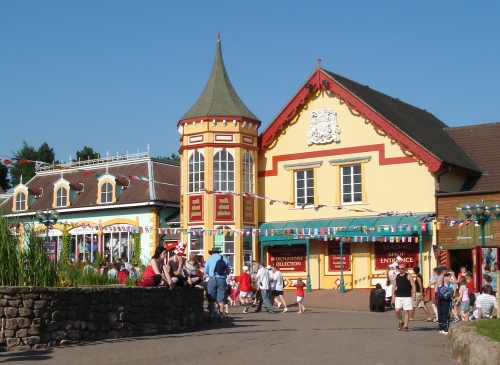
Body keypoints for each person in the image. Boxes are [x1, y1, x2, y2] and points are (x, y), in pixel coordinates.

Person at [204, 246, 230, 322]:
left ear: (212, 252)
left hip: (212, 279)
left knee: (211, 298)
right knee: (221, 299)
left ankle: (211, 315)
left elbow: (206, 272)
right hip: (222, 279)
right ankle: (221, 316)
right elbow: (228, 271)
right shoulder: (224, 259)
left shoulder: (209, 260)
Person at [391, 263, 416, 331]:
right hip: (398, 296)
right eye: (399, 268)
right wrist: (393, 295)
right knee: (397, 310)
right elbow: (394, 286)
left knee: (406, 311)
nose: (400, 270)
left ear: (405, 269)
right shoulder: (397, 276)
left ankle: (406, 326)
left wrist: (414, 295)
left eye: (402, 269)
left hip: (407, 296)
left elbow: (413, 285)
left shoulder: (408, 276)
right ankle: (400, 321)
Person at [435, 266, 458, 335]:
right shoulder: (446, 278)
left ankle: (441, 328)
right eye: (446, 270)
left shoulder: (437, 278)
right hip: (446, 298)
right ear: (443, 271)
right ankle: (445, 329)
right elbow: (456, 281)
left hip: (439, 297)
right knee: (446, 313)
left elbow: (436, 288)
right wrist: (453, 275)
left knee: (440, 312)